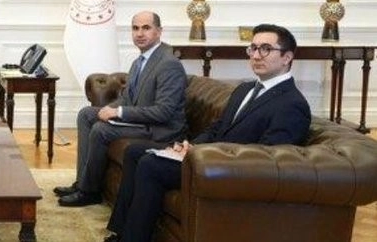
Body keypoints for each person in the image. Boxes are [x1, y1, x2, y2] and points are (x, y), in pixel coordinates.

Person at [103, 23, 312, 242]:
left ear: (287, 57)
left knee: (150, 165)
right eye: (253, 48)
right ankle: (120, 231)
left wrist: (204, 155)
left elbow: (267, 157)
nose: (256, 55)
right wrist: (191, 147)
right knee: (135, 152)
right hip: (207, 157)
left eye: (266, 49)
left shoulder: (292, 104)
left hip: (228, 170)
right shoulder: (245, 89)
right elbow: (217, 127)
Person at [57, 11, 187, 207]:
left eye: (146, 28)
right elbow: (127, 98)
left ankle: (89, 192)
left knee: (101, 130)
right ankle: (82, 181)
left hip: (159, 130)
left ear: (159, 31)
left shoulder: (169, 64)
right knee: (86, 115)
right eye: (135, 28)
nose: (139, 33)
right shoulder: (139, 62)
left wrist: (118, 113)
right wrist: (107, 108)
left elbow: (163, 112)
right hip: (141, 122)